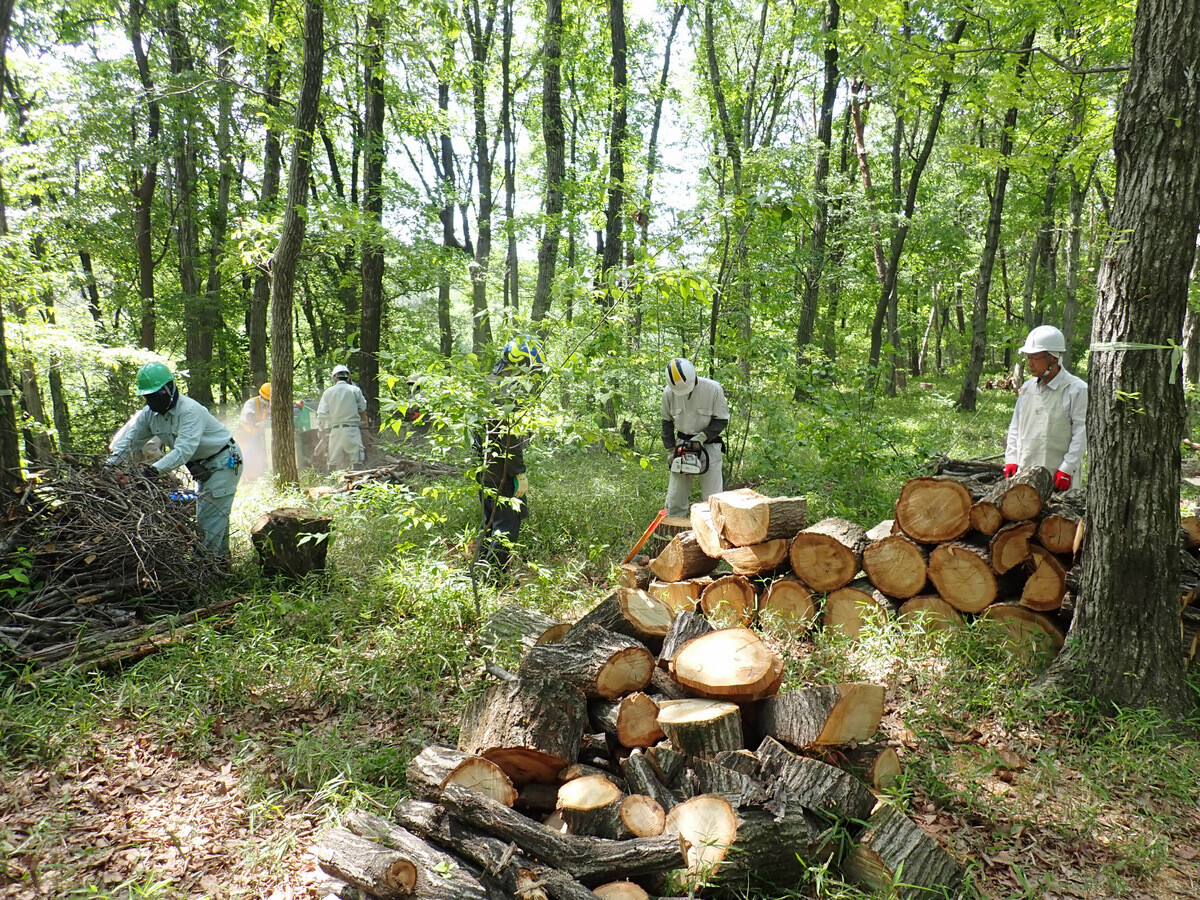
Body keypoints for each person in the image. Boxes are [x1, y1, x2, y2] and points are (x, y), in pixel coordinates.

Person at [106, 361, 243, 558]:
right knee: (213, 516)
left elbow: (183, 451)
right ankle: (221, 561)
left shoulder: (189, 410)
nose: (152, 400)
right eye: (148, 396)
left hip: (223, 462)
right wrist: (107, 468)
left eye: (157, 394)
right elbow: (129, 442)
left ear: (170, 387)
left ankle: (206, 567)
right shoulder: (149, 414)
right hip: (202, 466)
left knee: (209, 520)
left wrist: (152, 471)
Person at [474, 336, 544, 573]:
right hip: (501, 471)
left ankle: (480, 571)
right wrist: (519, 473)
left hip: (484, 468)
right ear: (518, 363)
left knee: (489, 523)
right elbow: (509, 438)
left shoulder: (488, 383)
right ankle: (493, 578)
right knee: (506, 526)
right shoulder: (506, 391)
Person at [1004, 325, 1088, 491]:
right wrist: (1011, 459)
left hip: (1057, 475)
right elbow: (1016, 426)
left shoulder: (1076, 389)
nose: (1029, 363)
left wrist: (1067, 468)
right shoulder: (1027, 388)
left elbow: (1081, 432)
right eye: (1028, 357)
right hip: (1025, 471)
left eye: (1035, 358)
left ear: (1053, 358)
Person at [661, 357, 729, 517]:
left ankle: (715, 525)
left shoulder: (713, 389)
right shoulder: (669, 392)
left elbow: (721, 420)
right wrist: (670, 449)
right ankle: (674, 524)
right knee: (676, 496)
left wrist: (702, 437)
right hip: (682, 444)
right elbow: (666, 423)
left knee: (713, 495)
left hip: (709, 444)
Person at [317, 364, 368, 470]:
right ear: (348, 377)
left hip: (335, 431)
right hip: (352, 430)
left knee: (332, 462)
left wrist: (320, 429)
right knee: (357, 460)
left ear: (334, 378)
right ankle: (358, 479)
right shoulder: (355, 390)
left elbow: (322, 413)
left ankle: (332, 480)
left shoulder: (328, 392)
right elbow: (363, 407)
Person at [238, 382, 272, 482]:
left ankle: (258, 476)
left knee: (261, 455)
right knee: (246, 454)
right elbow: (249, 416)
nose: (267, 401)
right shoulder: (251, 403)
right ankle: (243, 477)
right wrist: (256, 423)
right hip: (245, 433)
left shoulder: (270, 405)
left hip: (260, 434)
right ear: (261, 395)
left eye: (269, 400)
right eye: (266, 399)